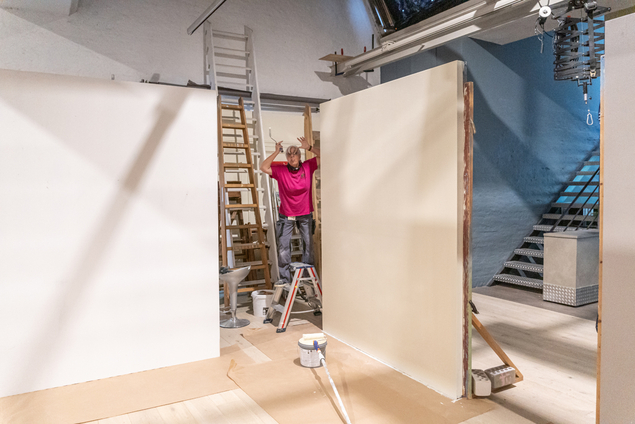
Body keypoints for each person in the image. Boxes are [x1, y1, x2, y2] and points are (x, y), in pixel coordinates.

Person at [260, 136, 320, 284]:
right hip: (286, 215)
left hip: (305, 214)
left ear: (299, 156)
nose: (292, 156)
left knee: (308, 246)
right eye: (289, 154)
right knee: (283, 248)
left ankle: (306, 279)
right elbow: (263, 167)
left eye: (295, 153)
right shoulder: (281, 171)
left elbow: (324, 156)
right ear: (286, 157)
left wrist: (309, 148)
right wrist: (276, 152)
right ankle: (285, 281)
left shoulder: (308, 166)